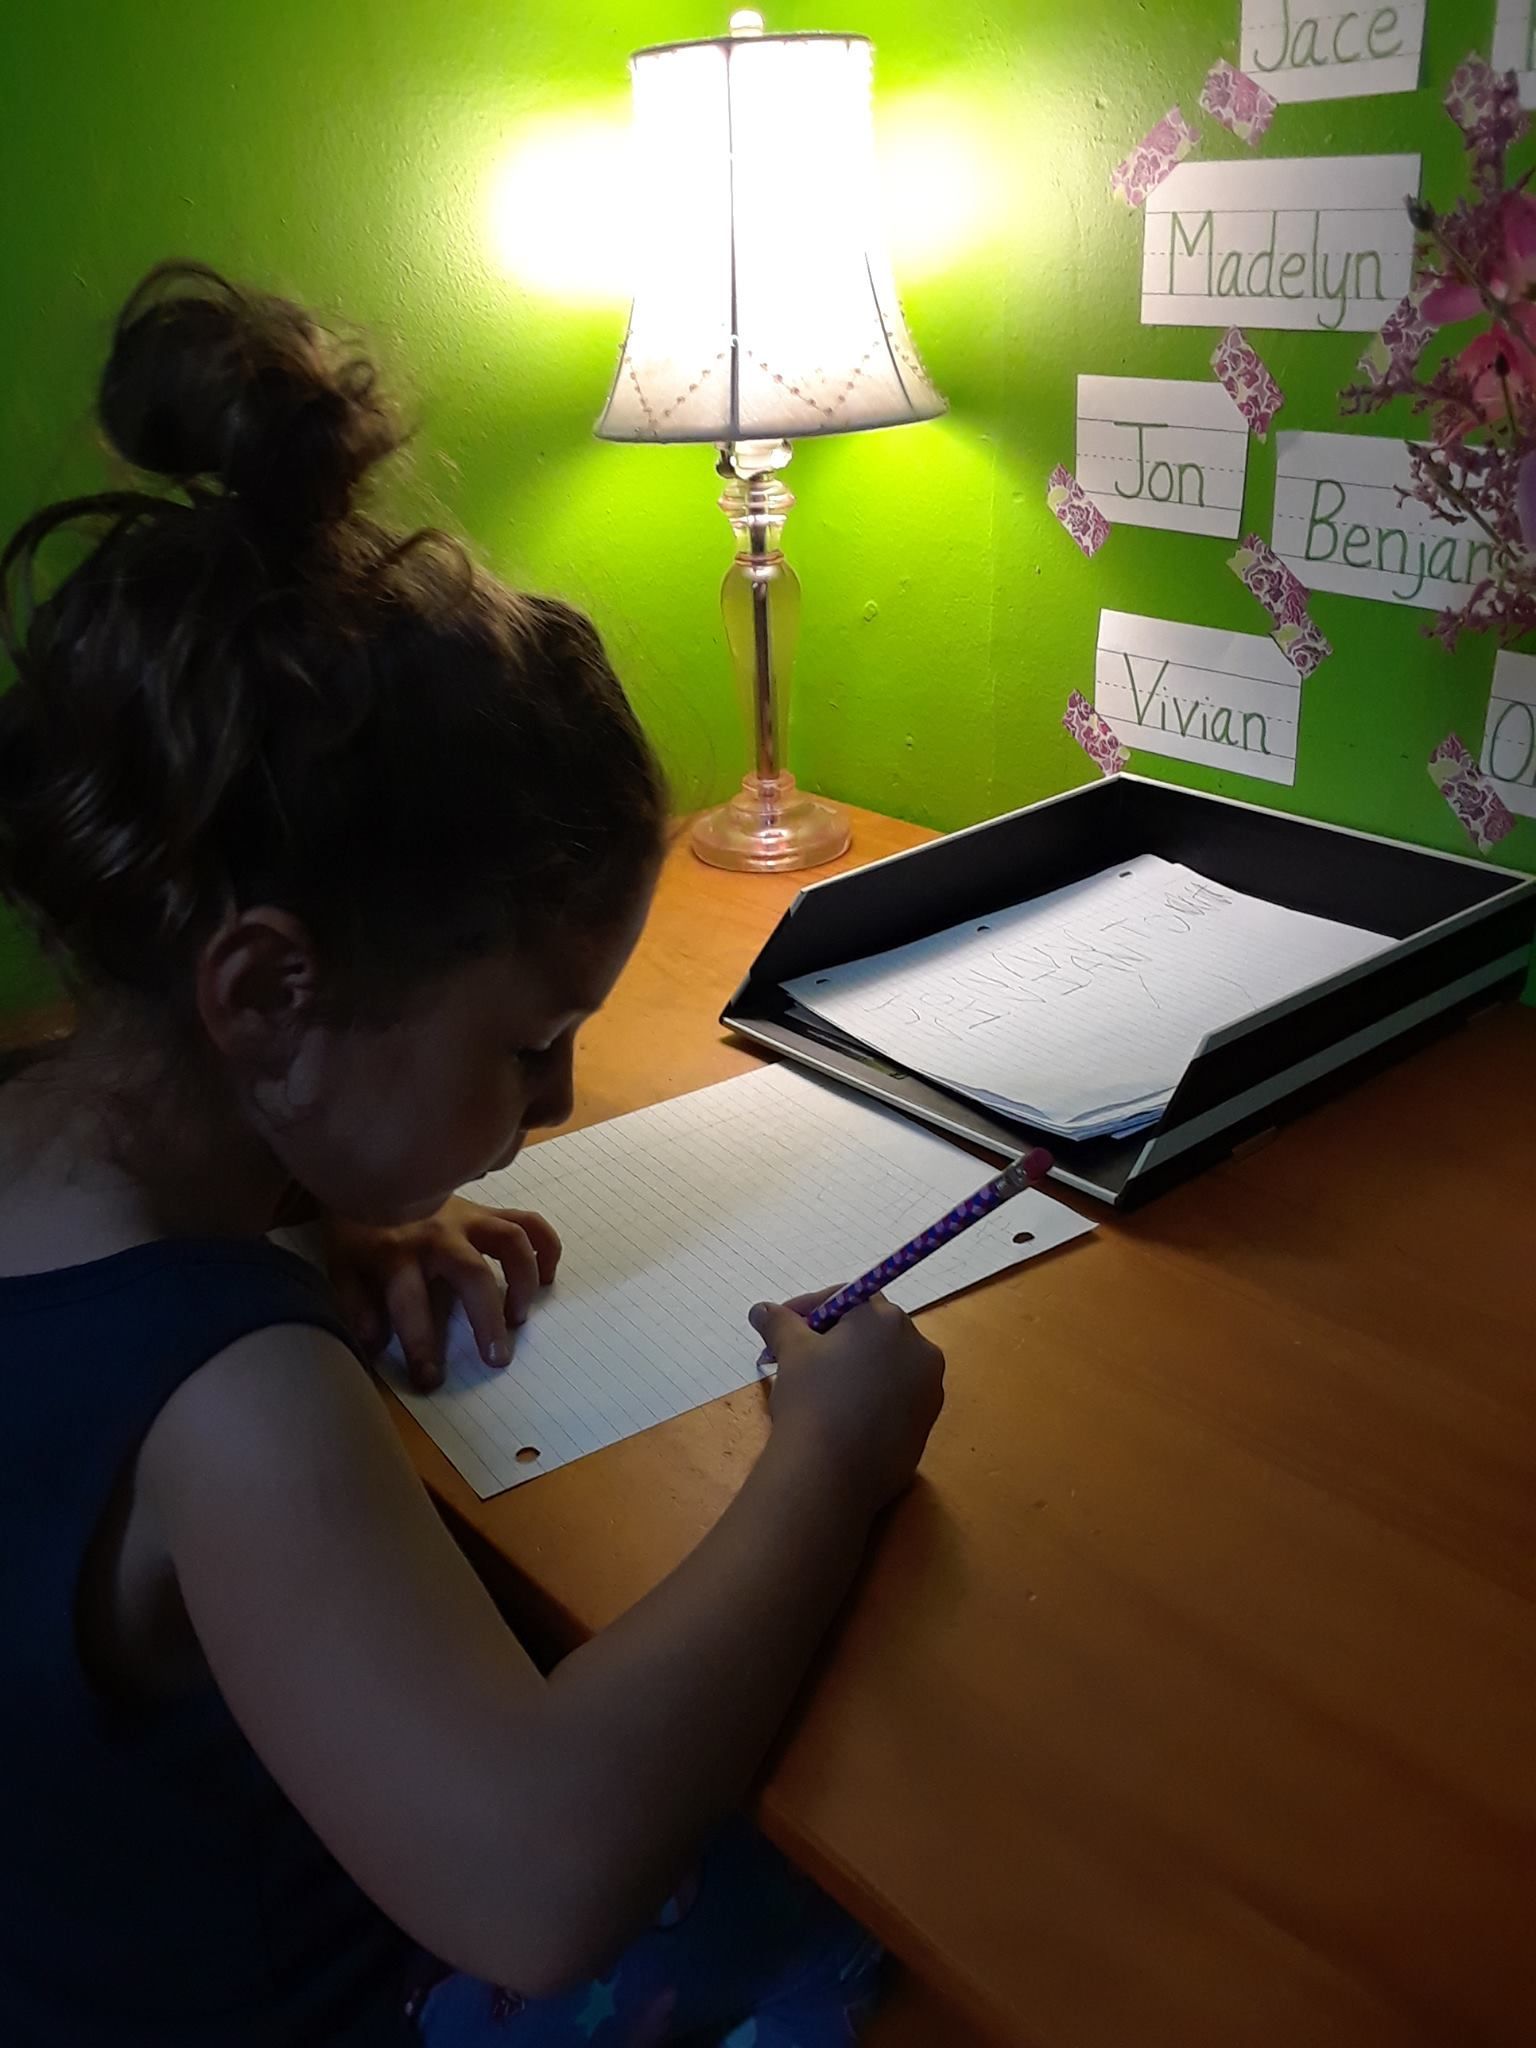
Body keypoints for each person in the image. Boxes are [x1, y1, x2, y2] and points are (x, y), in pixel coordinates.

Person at [0, 264, 946, 2047]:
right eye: (528, 1044)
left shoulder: (49, 1127)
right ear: (267, 993)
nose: (563, 1107)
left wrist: (304, 1229)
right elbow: (534, 1883)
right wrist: (828, 1461)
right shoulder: (238, 1404)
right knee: (872, 1931)